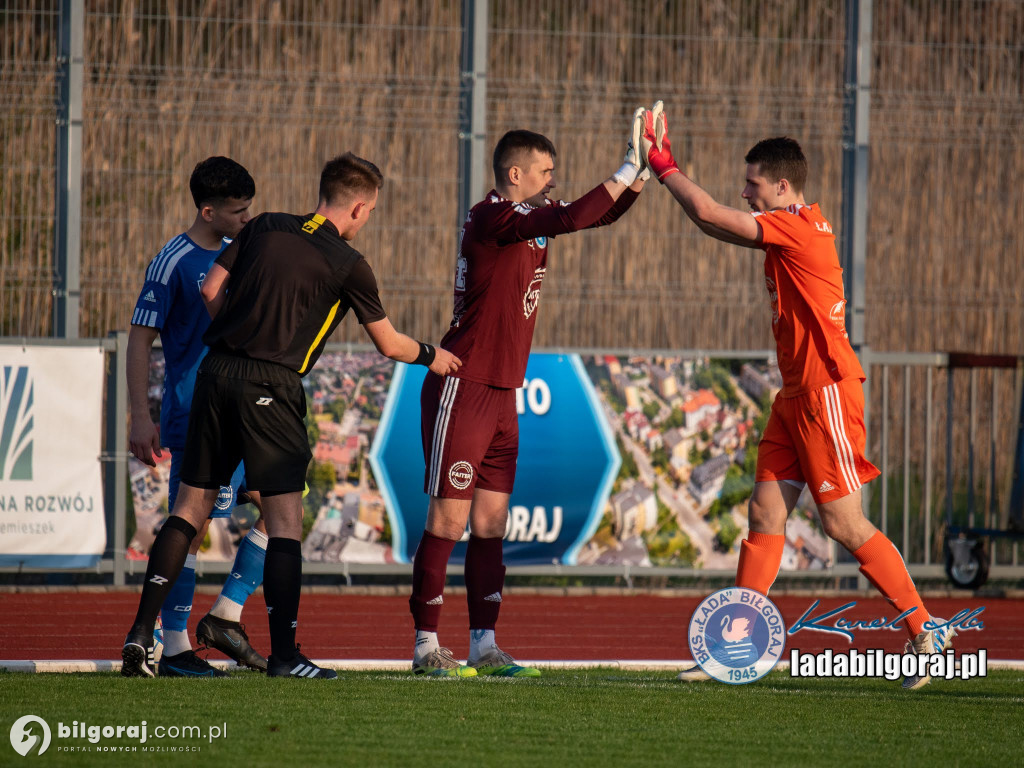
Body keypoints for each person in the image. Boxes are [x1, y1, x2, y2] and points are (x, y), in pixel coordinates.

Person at [637, 102, 955, 689]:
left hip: (826, 393)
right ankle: (733, 648)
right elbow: (710, 221)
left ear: (783, 187)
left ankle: (924, 627)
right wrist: (667, 180)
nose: (746, 191)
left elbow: (709, 210)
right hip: (795, 398)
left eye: (753, 184)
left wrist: (663, 166)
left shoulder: (798, 227)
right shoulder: (789, 227)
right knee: (764, 515)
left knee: (842, 524)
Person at [122, 152, 461, 680]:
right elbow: (389, 344)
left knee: (189, 510)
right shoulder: (348, 262)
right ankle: (284, 657)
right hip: (270, 386)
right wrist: (431, 355)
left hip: (215, 372)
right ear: (358, 207)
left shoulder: (263, 226)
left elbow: (211, 290)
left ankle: (143, 636)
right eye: (368, 212)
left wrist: (235, 333)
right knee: (285, 522)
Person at [409, 115, 649, 677]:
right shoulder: (494, 215)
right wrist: (623, 168)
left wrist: (640, 173)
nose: (551, 180)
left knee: (492, 524)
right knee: (447, 522)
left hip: (501, 392)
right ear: (515, 173)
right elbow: (570, 215)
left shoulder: (527, 217)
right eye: (544, 172)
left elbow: (594, 216)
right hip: (463, 386)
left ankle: (483, 646)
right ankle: (424, 648)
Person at [127, 156, 268, 677]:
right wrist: (141, 416)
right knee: (191, 523)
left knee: (282, 506)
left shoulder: (243, 249)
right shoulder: (173, 261)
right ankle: (174, 644)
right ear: (208, 211)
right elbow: (141, 338)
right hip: (196, 413)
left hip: (246, 409)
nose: (246, 218)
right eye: (237, 211)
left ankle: (226, 614)